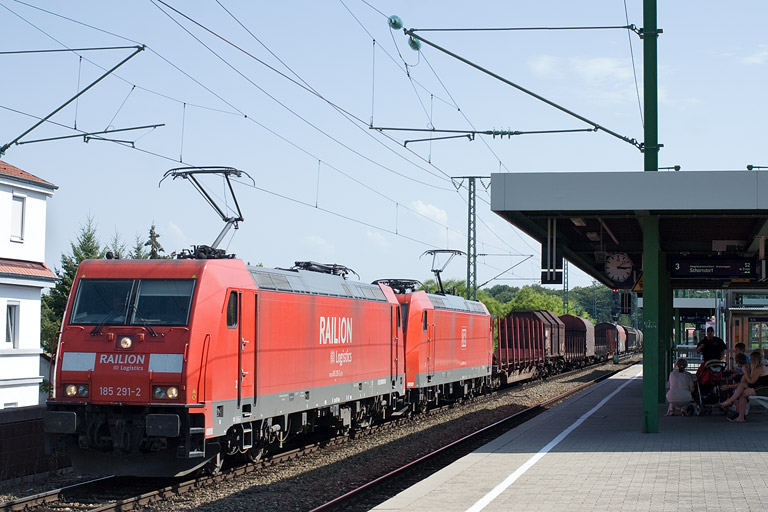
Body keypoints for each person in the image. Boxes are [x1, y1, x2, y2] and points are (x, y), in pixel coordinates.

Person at [719, 350, 768, 423]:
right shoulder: (760, 368)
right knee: (742, 389)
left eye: (751, 360)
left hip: (763, 389)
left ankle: (731, 405)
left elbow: (751, 382)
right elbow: (747, 381)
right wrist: (747, 372)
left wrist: (745, 372)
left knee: (743, 391)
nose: (749, 362)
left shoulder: (760, 369)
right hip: (760, 387)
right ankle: (739, 415)